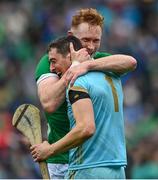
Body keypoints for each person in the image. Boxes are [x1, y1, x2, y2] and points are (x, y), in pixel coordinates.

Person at [35, 8, 137, 179]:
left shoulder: (98, 60)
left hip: (90, 160)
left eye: (96, 40)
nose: (90, 47)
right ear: (71, 37)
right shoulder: (51, 61)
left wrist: (87, 65)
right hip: (61, 159)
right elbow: (49, 103)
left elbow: (130, 62)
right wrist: (73, 68)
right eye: (85, 40)